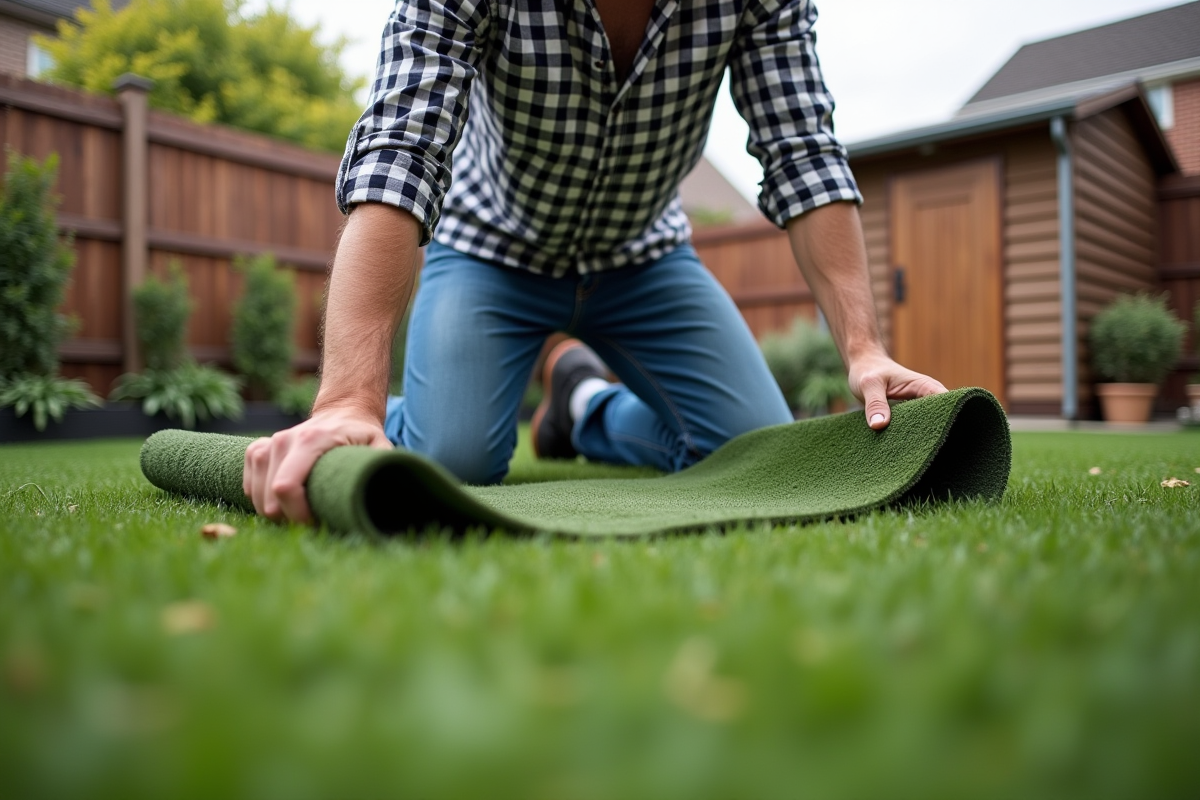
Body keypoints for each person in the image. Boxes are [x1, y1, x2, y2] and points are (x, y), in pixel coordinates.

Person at [242, 0, 947, 523]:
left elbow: (802, 151)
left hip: (645, 258)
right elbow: (402, 153)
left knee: (754, 449)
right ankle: (408, 414)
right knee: (450, 462)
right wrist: (346, 402)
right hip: (491, 251)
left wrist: (864, 348)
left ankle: (581, 407)